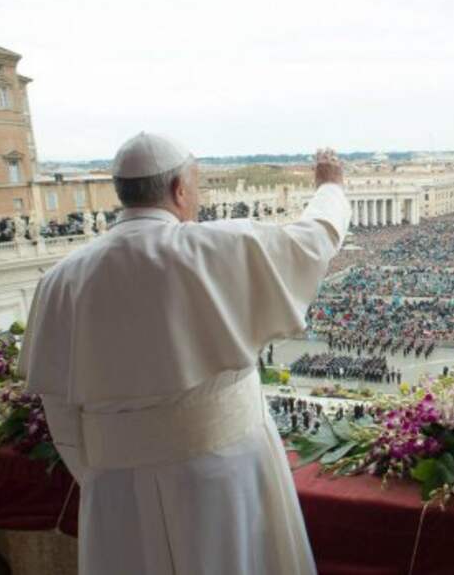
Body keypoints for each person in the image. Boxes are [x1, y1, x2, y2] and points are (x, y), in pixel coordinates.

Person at [19, 132, 350, 575]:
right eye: (196, 184)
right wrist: (330, 187)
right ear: (179, 190)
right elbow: (314, 241)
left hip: (115, 486)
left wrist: (112, 470)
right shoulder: (217, 247)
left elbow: (59, 410)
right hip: (223, 475)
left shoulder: (60, 280)